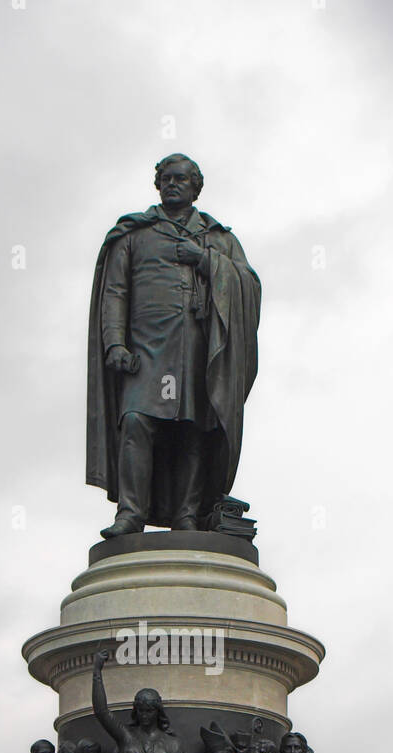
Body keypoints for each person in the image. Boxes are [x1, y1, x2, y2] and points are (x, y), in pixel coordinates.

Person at [87, 154, 261, 537]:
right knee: (136, 422)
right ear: (157, 184)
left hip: (198, 353)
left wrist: (206, 261)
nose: (172, 184)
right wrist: (114, 342)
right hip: (146, 355)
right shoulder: (134, 234)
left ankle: (186, 515)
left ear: (195, 187)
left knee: (192, 429)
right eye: (166, 178)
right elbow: (115, 292)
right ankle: (131, 513)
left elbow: (248, 285)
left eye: (181, 179)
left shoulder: (219, 239)